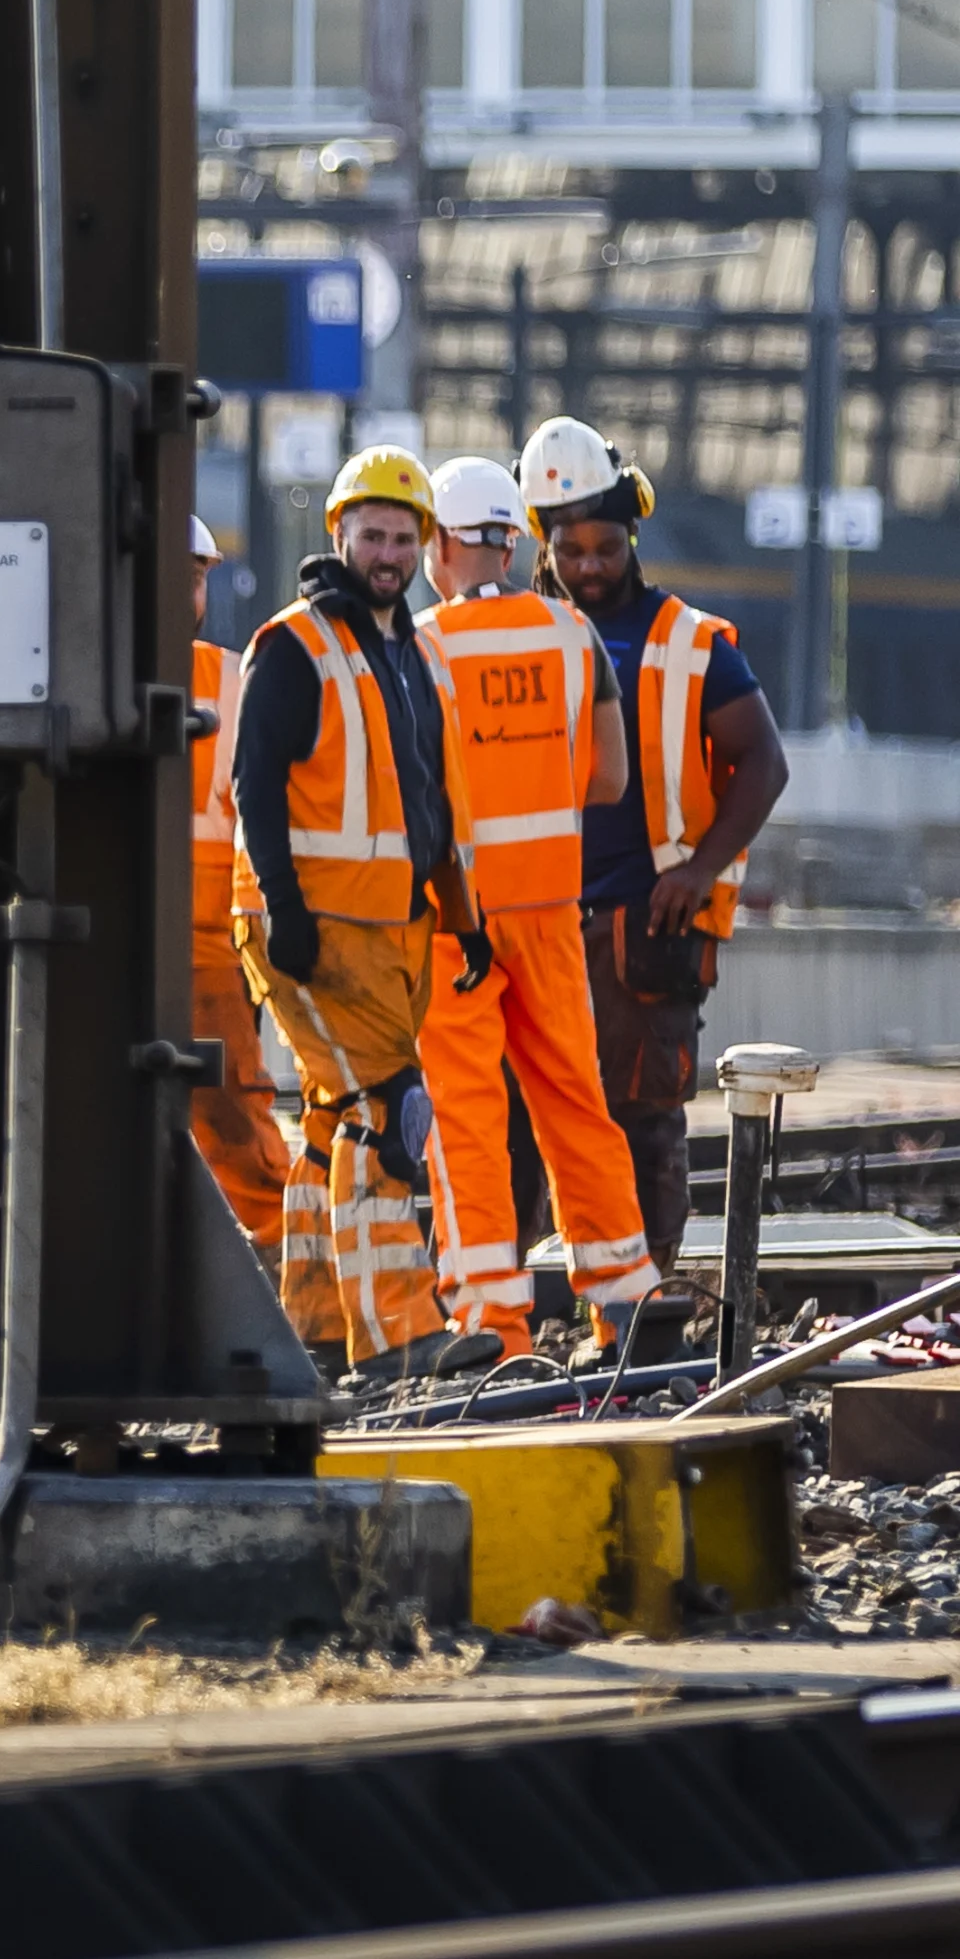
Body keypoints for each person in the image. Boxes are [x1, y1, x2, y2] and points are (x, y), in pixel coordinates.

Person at [230, 445, 499, 1383]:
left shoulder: (411, 653)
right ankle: (401, 1331)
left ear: (422, 544)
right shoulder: (295, 645)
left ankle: (316, 1325)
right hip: (315, 927)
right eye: (370, 533)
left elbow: (431, 802)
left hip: (388, 930)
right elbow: (252, 785)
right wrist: (285, 909)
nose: (385, 551)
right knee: (392, 1108)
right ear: (338, 534)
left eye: (401, 536)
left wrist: (465, 919)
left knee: (329, 1118)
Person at [520, 415, 792, 1277]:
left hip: (646, 920)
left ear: (631, 536)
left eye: (604, 547)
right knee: (529, 1113)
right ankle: (540, 1286)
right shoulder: (521, 636)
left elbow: (764, 761)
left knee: (642, 1112)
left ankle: (650, 1291)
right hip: (538, 915)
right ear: (545, 545)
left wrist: (702, 868)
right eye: (572, 551)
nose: (589, 567)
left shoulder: (690, 642)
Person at [408, 455, 659, 1356]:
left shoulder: (423, 647)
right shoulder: (573, 636)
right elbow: (609, 778)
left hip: (454, 920)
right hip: (553, 909)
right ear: (515, 541)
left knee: (468, 1116)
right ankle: (624, 1300)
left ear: (440, 543)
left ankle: (492, 1322)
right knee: (574, 1101)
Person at [184, 514, 286, 1264]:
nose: (185, 590)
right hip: (117, 935)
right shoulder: (85, 680)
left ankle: (286, 1264)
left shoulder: (230, 680)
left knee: (235, 1120)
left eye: (195, 575)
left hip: (216, 946)